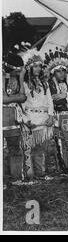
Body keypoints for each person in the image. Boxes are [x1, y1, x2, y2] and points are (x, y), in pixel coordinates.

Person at [21, 48, 54, 178]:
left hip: (43, 119)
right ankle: (29, 175)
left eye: (40, 66)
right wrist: (25, 119)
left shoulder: (44, 83)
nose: (38, 69)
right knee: (28, 149)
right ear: (29, 68)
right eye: (35, 66)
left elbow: (49, 100)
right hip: (30, 120)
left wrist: (51, 115)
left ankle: (40, 173)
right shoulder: (24, 84)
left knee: (41, 149)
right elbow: (22, 104)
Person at [3, 48, 27, 181]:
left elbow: (23, 97)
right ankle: (4, 180)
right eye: (18, 70)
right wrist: (16, 98)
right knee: (3, 152)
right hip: (4, 118)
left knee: (16, 149)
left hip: (14, 119)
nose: (19, 73)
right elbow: (3, 99)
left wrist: (21, 78)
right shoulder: (2, 78)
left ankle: (17, 178)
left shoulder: (17, 78)